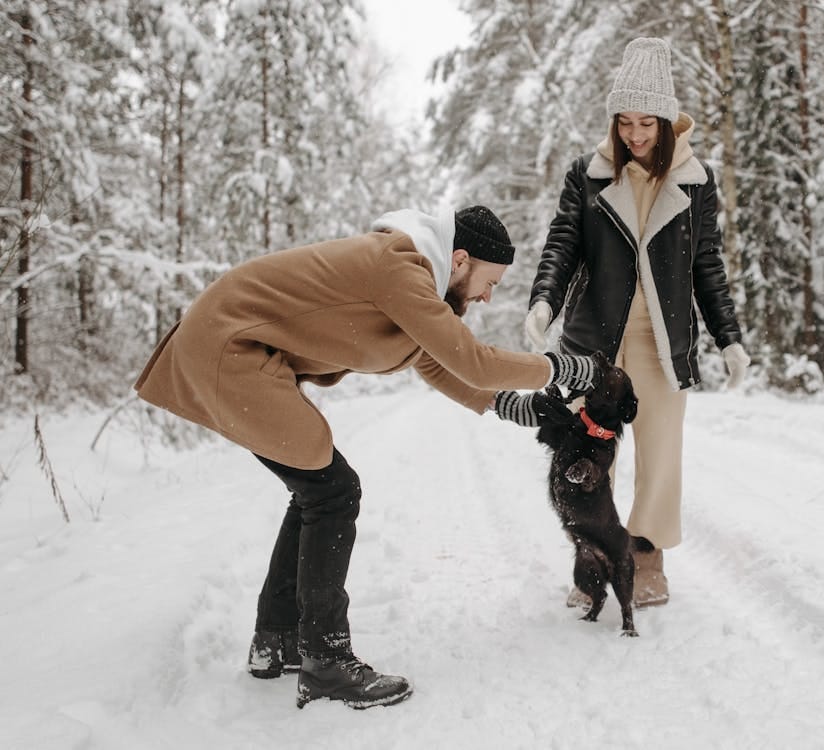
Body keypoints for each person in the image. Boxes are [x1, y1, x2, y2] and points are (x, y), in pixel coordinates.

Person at [134, 205, 598, 710]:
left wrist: (508, 405)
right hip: (228, 350)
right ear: (460, 259)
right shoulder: (398, 265)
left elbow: (435, 361)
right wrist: (560, 367)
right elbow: (473, 361)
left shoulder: (410, 276)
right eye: (491, 281)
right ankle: (326, 662)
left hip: (233, 352)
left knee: (319, 489)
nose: (490, 295)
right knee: (333, 491)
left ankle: (278, 640)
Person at [524, 38, 751, 609]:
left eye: (646, 122)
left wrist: (730, 338)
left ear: (668, 121)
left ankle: (647, 560)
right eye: (624, 121)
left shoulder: (696, 183)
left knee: (660, 455)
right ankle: (592, 563)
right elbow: (563, 244)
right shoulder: (589, 174)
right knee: (585, 460)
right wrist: (544, 301)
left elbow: (707, 265)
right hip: (594, 343)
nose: (634, 134)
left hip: (661, 341)